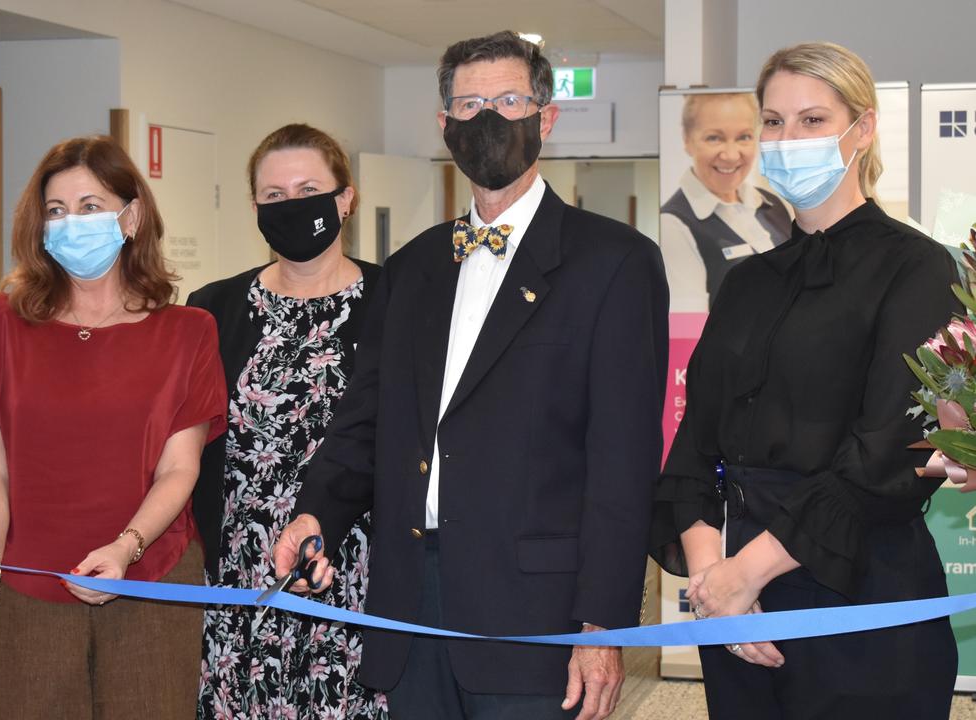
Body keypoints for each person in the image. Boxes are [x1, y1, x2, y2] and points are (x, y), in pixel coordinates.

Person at [274, 31, 669, 720]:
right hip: (411, 607)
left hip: (535, 619)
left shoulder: (614, 263)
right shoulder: (412, 267)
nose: (487, 118)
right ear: (444, 125)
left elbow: (621, 462)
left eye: (508, 99)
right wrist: (317, 511)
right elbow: (369, 419)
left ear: (544, 118)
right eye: (469, 103)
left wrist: (603, 625)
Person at [650, 42, 960, 719]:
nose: (786, 139)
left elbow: (889, 453)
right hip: (739, 614)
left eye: (812, 120)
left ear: (863, 129)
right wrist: (712, 583)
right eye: (773, 121)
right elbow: (695, 443)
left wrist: (743, 573)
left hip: (862, 595)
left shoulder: (916, 268)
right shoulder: (743, 283)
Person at [0, 135, 226, 719]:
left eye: (91, 206)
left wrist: (126, 548)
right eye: (56, 210)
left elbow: (180, 469)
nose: (72, 222)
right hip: (25, 583)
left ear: (132, 215)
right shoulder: (1, 321)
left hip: (154, 577)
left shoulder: (188, 331)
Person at [188, 123, 387, 719]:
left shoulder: (394, 301)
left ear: (346, 197)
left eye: (308, 188)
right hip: (240, 579)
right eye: (274, 195)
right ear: (253, 206)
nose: (291, 205)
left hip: (352, 572)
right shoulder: (211, 310)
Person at [661, 92, 791, 311]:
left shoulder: (774, 205)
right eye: (714, 138)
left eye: (744, 137)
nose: (731, 155)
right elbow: (688, 334)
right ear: (687, 140)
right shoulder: (674, 225)